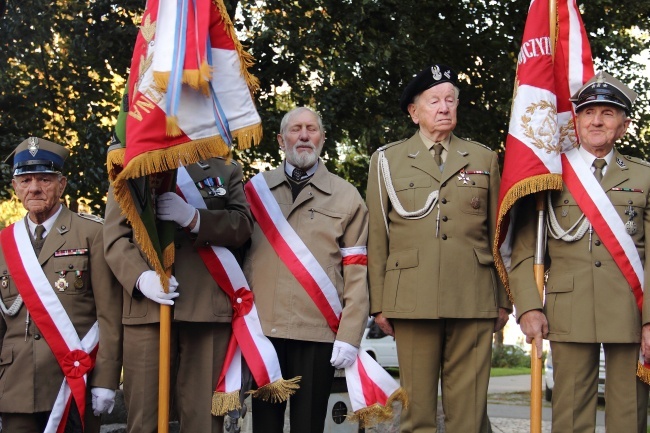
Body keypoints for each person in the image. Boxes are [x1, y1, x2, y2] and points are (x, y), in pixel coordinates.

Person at [366, 64, 511, 433]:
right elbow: (378, 236)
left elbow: (499, 235)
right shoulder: (386, 160)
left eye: (451, 100)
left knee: (470, 413)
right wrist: (379, 303)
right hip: (412, 298)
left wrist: (503, 298)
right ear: (414, 112)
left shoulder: (483, 158)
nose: (444, 107)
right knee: (417, 414)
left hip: (474, 296)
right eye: (434, 101)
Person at [509, 71, 650, 433]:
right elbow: (525, 250)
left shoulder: (643, 176)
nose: (596, 121)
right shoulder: (549, 173)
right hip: (566, 310)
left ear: (624, 124)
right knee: (570, 416)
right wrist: (528, 306)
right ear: (577, 119)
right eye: (588, 112)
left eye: (607, 113)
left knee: (629, 416)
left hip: (628, 311)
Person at [103, 155, 254, 433]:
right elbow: (114, 237)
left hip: (205, 309)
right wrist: (140, 277)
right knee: (144, 420)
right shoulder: (131, 164)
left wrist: (194, 218)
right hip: (148, 308)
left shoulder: (224, 168)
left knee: (203, 422)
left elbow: (242, 226)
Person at [243, 106, 369, 432]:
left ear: (323, 139)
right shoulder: (254, 191)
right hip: (265, 331)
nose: (303, 135)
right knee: (264, 427)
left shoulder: (347, 197)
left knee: (309, 426)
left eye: (311, 129)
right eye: (295, 129)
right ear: (281, 140)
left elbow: (357, 273)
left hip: (317, 333)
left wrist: (351, 335)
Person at [0, 137, 122, 432]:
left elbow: (109, 316)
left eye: (44, 179)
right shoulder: (4, 243)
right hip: (14, 384)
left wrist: (105, 382)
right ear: (15, 187)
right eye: (25, 180)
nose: (34, 188)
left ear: (62, 184)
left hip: (73, 381)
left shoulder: (92, 233)